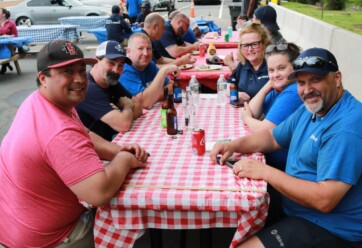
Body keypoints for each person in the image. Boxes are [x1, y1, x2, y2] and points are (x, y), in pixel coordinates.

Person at [0, 40, 149, 247]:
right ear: (43, 78)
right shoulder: (58, 131)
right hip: (49, 238)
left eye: (81, 70)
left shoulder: (41, 101)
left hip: (14, 223)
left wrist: (117, 150)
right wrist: (123, 159)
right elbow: (99, 193)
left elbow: (84, 134)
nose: (79, 79)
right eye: (68, 72)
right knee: (123, 228)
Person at [211, 48, 362, 248]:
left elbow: (324, 200)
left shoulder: (346, 127)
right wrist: (233, 144)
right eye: (301, 82)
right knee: (231, 212)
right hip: (294, 205)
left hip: (330, 226)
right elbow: (272, 137)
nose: (307, 89)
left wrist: (264, 171)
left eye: (315, 80)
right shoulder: (312, 107)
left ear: (337, 79)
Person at [241, 42, 302, 170]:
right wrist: (268, 85)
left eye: (281, 68)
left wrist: (247, 119)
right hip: (269, 159)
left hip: (283, 168)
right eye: (271, 70)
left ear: (295, 68)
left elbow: (263, 131)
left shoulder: (293, 92)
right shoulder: (277, 89)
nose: (275, 74)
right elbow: (252, 111)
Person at [76, 40, 143, 141]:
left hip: (110, 139)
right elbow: (124, 125)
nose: (116, 70)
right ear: (96, 61)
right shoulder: (88, 88)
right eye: (111, 63)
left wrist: (122, 114)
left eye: (120, 65)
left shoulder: (110, 81)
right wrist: (127, 106)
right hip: (92, 148)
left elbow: (138, 107)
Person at [119, 33, 180, 109]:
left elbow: (172, 86)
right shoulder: (125, 70)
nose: (145, 53)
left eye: (149, 49)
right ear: (128, 51)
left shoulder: (150, 65)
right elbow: (146, 103)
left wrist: (152, 96)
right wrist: (163, 71)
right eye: (140, 48)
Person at [225, 23, 271, 104]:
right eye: (245, 45)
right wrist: (236, 94)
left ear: (264, 44)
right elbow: (228, 84)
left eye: (254, 44)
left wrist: (249, 101)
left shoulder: (271, 66)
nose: (250, 49)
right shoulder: (243, 65)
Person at [0, 8, 17, 74]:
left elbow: (15, 35)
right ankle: (6, 64)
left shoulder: (11, 23)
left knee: (4, 49)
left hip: (10, 45)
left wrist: (8, 36)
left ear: (3, 14)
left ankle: (5, 64)